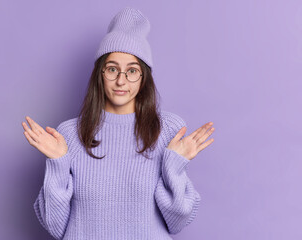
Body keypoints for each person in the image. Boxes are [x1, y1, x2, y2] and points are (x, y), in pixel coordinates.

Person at [22, 7, 214, 240]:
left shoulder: (168, 130)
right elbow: (56, 226)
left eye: (132, 70)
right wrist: (58, 163)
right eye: (112, 69)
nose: (121, 80)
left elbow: (177, 221)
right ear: (99, 74)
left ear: (144, 78)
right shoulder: (69, 135)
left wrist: (173, 165)